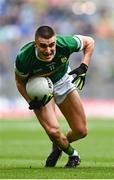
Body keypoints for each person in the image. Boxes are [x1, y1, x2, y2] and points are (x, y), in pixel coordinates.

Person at [15, 25, 95, 168]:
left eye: (51, 45)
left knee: (81, 131)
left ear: (55, 41)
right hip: (39, 88)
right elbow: (20, 82)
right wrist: (30, 101)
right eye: (43, 46)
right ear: (35, 44)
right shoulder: (24, 57)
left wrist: (84, 66)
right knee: (52, 130)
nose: (48, 50)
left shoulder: (65, 43)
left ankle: (59, 146)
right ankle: (73, 155)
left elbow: (90, 42)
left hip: (63, 80)